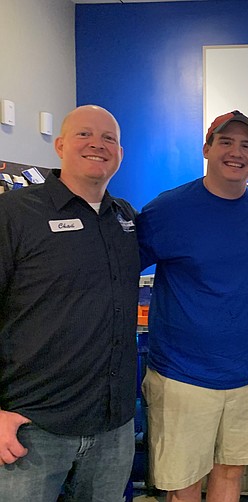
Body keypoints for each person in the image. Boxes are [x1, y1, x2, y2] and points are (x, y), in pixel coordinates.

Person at [137, 110, 248, 502]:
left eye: (247, 145)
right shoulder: (168, 210)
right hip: (182, 378)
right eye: (225, 142)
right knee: (183, 485)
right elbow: (115, 270)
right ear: (207, 148)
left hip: (246, 372)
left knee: (231, 474)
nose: (236, 152)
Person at [0, 105, 139, 500]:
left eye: (108, 138)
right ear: (60, 145)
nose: (97, 144)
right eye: (84, 135)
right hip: (31, 428)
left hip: (112, 427)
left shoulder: (123, 218)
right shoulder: (14, 214)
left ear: (120, 154)